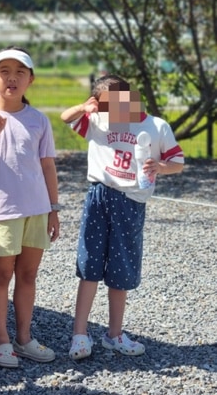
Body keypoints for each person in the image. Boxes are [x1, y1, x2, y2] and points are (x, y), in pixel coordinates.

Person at [61, 74, 184, 360]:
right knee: (89, 263)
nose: (114, 109)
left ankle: (114, 334)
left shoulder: (156, 126)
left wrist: (159, 166)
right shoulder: (99, 121)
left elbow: (178, 163)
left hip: (131, 201)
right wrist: (84, 107)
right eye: (106, 105)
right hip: (99, 195)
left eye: (119, 101)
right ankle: (80, 334)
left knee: (121, 268)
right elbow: (68, 117)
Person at [0, 47, 60, 368]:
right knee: (2, 274)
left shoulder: (39, 120)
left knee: (28, 275)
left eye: (20, 72)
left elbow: (47, 167)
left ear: (30, 80)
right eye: (4, 71)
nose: (12, 78)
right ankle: (1, 340)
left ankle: (25, 337)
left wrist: (54, 208)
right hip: (2, 210)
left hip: (37, 209)